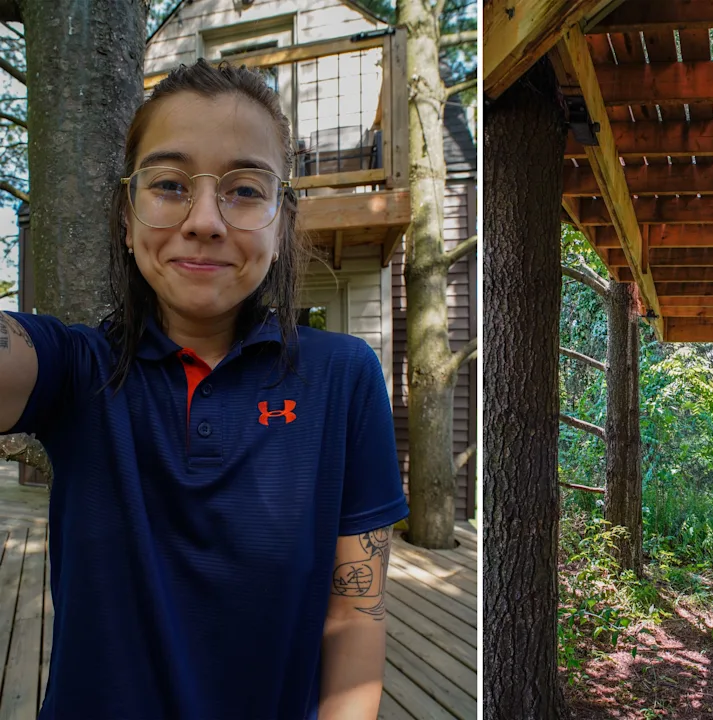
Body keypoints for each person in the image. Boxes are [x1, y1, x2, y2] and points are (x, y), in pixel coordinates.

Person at [0, 59, 408, 720]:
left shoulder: (345, 377)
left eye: (246, 190)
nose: (206, 220)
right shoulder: (76, 368)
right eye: (168, 183)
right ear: (128, 217)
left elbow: (356, 612)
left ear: (280, 225)